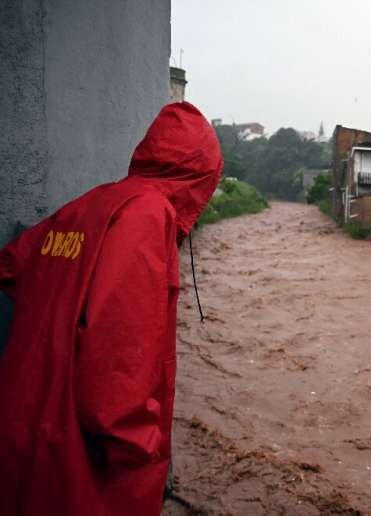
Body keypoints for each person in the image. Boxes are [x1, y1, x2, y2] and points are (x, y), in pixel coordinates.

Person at [0, 102, 223, 516]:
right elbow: (119, 370)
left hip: (26, 416)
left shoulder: (93, 203)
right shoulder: (148, 215)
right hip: (83, 455)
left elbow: (12, 265)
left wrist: (60, 304)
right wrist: (142, 452)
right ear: (201, 176)